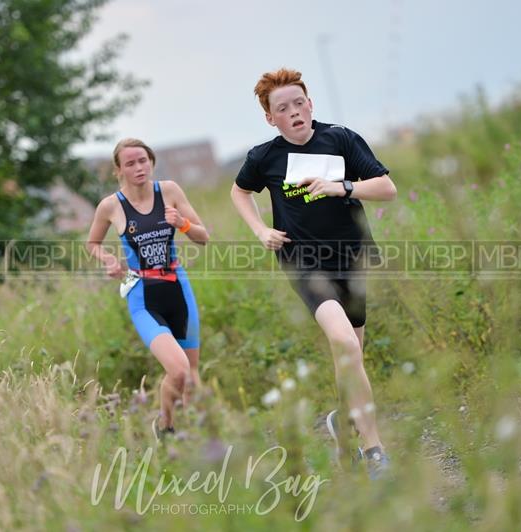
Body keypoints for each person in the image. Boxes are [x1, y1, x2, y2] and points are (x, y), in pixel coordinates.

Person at [230, 68, 397, 478]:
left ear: (310, 105)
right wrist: (260, 230)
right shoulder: (263, 157)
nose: (294, 112)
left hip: (352, 257)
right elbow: (239, 192)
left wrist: (341, 187)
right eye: (282, 108)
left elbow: (386, 188)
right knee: (345, 345)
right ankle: (373, 449)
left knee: (354, 353)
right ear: (271, 118)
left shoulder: (340, 138)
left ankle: (344, 417)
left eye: (299, 103)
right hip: (302, 260)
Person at [87, 138, 209, 441]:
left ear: (151, 161)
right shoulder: (111, 206)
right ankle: (166, 426)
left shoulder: (169, 191)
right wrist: (109, 260)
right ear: (119, 170)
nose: (138, 167)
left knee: (191, 377)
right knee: (178, 370)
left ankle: (190, 439)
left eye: (143, 160)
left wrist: (181, 223)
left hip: (178, 288)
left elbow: (203, 236)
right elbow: (92, 244)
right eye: (130, 163)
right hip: (142, 295)